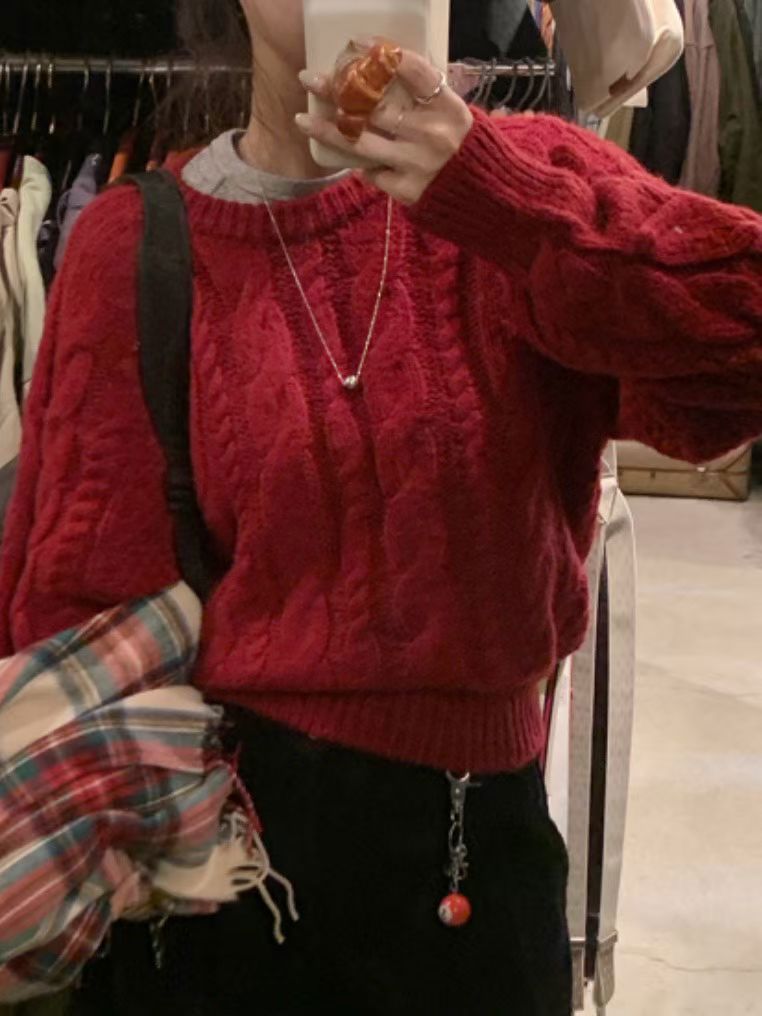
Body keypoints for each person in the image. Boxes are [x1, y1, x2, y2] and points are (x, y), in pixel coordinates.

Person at [1, 1, 761, 1013]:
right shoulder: (135, 241)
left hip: (478, 869)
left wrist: (498, 201)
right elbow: (75, 613)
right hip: (223, 883)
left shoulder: (528, 182)